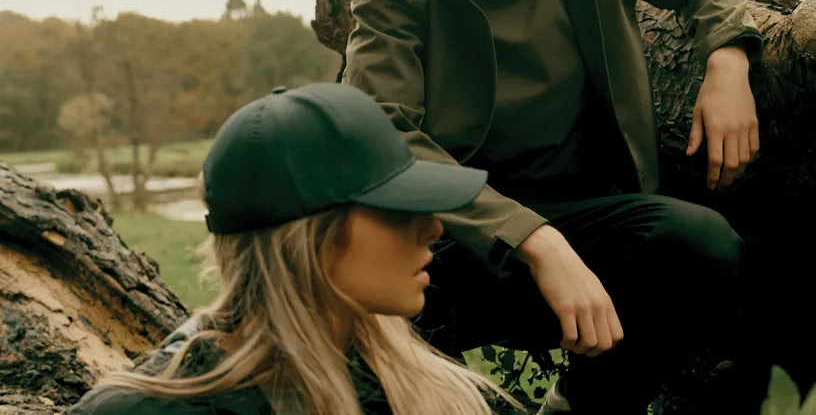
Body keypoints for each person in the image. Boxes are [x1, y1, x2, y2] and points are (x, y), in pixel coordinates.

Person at [339, 0, 765, 415]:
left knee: (704, 247)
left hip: (586, 226)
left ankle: (583, 404)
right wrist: (532, 239)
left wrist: (729, 59)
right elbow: (384, 135)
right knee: (359, 290)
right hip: (451, 238)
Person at [69, 82, 519, 415]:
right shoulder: (137, 411)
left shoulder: (434, 393)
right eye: (399, 210)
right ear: (309, 239)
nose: (434, 228)